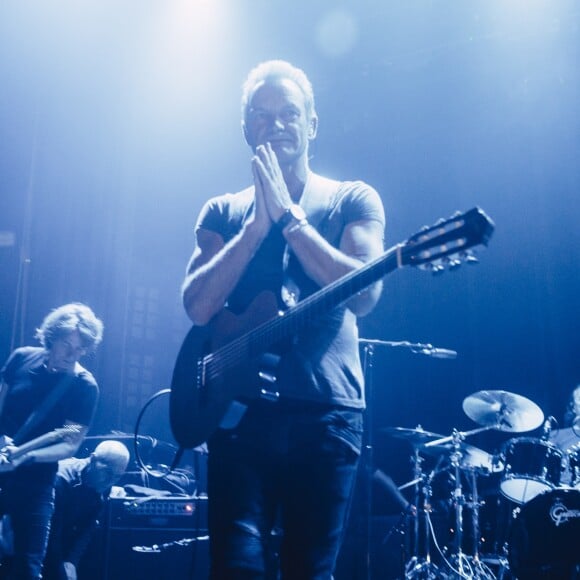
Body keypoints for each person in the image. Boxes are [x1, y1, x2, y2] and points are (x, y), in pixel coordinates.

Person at [180, 60, 385, 579]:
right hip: (239, 417)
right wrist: (254, 228)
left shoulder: (351, 199)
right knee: (236, 569)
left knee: (307, 572)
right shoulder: (222, 210)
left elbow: (365, 293)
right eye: (262, 114)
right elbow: (199, 306)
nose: (276, 123)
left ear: (311, 123)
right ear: (246, 128)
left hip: (326, 417)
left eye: (290, 113)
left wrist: (291, 221)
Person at [0, 303, 103, 579]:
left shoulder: (83, 386)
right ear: (52, 336)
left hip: (36, 486)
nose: (73, 354)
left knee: (28, 569)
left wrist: (26, 456)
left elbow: (69, 444)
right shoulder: (21, 358)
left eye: (81, 349)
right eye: (68, 344)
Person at [42, 440, 130, 580]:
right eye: (107, 472)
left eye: (117, 477)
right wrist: (60, 570)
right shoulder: (61, 478)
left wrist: (71, 562)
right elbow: (52, 533)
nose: (110, 481)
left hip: (59, 543)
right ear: (93, 459)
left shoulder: (104, 484)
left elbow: (88, 528)